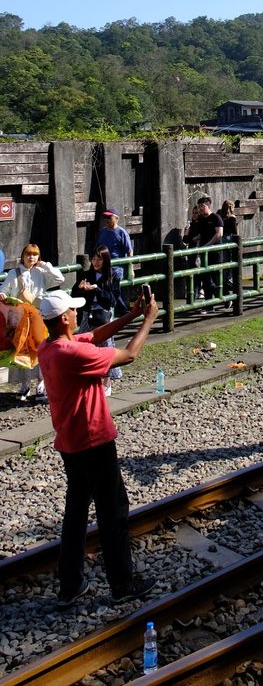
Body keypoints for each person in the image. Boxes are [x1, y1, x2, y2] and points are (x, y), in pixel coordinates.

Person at [38, 288, 159, 607]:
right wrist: (148, 320)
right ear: (64, 319)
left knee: (76, 514)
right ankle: (122, 584)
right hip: (94, 442)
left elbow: (92, 336)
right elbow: (129, 356)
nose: (79, 313)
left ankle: (70, 584)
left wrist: (131, 315)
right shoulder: (72, 355)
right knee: (113, 510)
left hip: (69, 443)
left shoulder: (48, 348)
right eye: (74, 311)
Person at [0, 243, 64, 400]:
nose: (31, 257)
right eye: (28, 254)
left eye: (34, 254)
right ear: (23, 255)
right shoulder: (14, 274)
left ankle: (41, 385)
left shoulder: (41, 272)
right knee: (21, 351)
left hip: (37, 316)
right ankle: (25, 384)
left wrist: (45, 265)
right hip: (19, 318)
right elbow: (4, 290)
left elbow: (59, 278)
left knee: (39, 349)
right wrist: (2, 294)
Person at [72, 246, 123, 397]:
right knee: (82, 345)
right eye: (94, 259)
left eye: (99, 259)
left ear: (105, 260)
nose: (95, 262)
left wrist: (97, 290)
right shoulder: (87, 274)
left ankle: (107, 382)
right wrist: (81, 288)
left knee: (105, 347)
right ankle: (86, 378)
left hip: (104, 316)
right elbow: (75, 293)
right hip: (88, 314)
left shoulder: (113, 276)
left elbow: (113, 300)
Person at [95, 209, 132, 311]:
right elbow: (98, 248)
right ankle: (119, 312)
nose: (106, 220)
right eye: (105, 218)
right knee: (104, 288)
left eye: (109, 217)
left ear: (116, 219)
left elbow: (129, 251)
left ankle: (123, 311)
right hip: (103, 266)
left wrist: (130, 268)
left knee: (112, 289)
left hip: (117, 267)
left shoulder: (122, 233)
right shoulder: (102, 232)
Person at [196, 195, 223, 307]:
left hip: (215, 253)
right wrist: (198, 251)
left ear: (207, 205)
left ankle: (226, 298)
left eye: (201, 206)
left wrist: (207, 245)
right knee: (206, 279)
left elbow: (219, 234)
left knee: (218, 280)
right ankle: (209, 305)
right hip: (203, 253)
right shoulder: (201, 220)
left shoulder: (216, 218)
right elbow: (200, 236)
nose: (200, 209)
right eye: (198, 207)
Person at [218, 199, 238, 294]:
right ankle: (230, 278)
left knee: (225, 261)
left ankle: (225, 279)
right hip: (229, 239)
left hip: (222, 240)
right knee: (233, 260)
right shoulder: (232, 218)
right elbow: (235, 232)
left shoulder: (220, 217)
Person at [182, 204, 202, 299]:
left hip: (198, 250)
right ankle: (193, 293)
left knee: (197, 273)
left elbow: (202, 236)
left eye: (196, 213)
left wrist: (195, 238)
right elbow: (186, 240)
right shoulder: (191, 225)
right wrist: (186, 234)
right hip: (191, 250)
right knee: (191, 272)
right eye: (193, 213)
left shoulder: (201, 224)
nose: (194, 215)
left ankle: (197, 292)